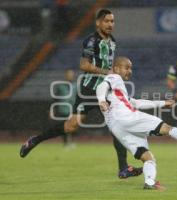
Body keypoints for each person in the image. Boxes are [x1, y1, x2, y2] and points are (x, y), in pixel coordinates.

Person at [19, 9, 142, 179]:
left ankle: (123, 168)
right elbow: (84, 65)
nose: (110, 24)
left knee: (117, 125)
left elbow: (108, 64)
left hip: (105, 90)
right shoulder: (91, 41)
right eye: (106, 21)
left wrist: (117, 73)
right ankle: (35, 140)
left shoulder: (112, 41)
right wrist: (106, 72)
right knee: (71, 126)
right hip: (88, 89)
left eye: (112, 21)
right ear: (98, 23)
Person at [97, 57, 177, 190]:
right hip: (127, 116)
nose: (130, 71)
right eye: (126, 67)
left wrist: (162, 103)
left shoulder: (118, 93)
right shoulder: (114, 77)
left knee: (147, 157)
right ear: (116, 68)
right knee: (167, 128)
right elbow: (102, 86)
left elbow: (137, 103)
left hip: (116, 127)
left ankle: (149, 183)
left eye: (131, 68)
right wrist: (101, 100)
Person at [54, 69, 76, 148]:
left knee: (73, 126)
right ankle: (65, 142)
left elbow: (78, 97)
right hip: (62, 110)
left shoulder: (75, 85)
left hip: (73, 110)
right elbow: (55, 99)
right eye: (69, 74)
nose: (70, 76)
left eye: (71, 74)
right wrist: (52, 110)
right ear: (65, 75)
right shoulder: (60, 86)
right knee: (63, 127)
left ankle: (71, 141)